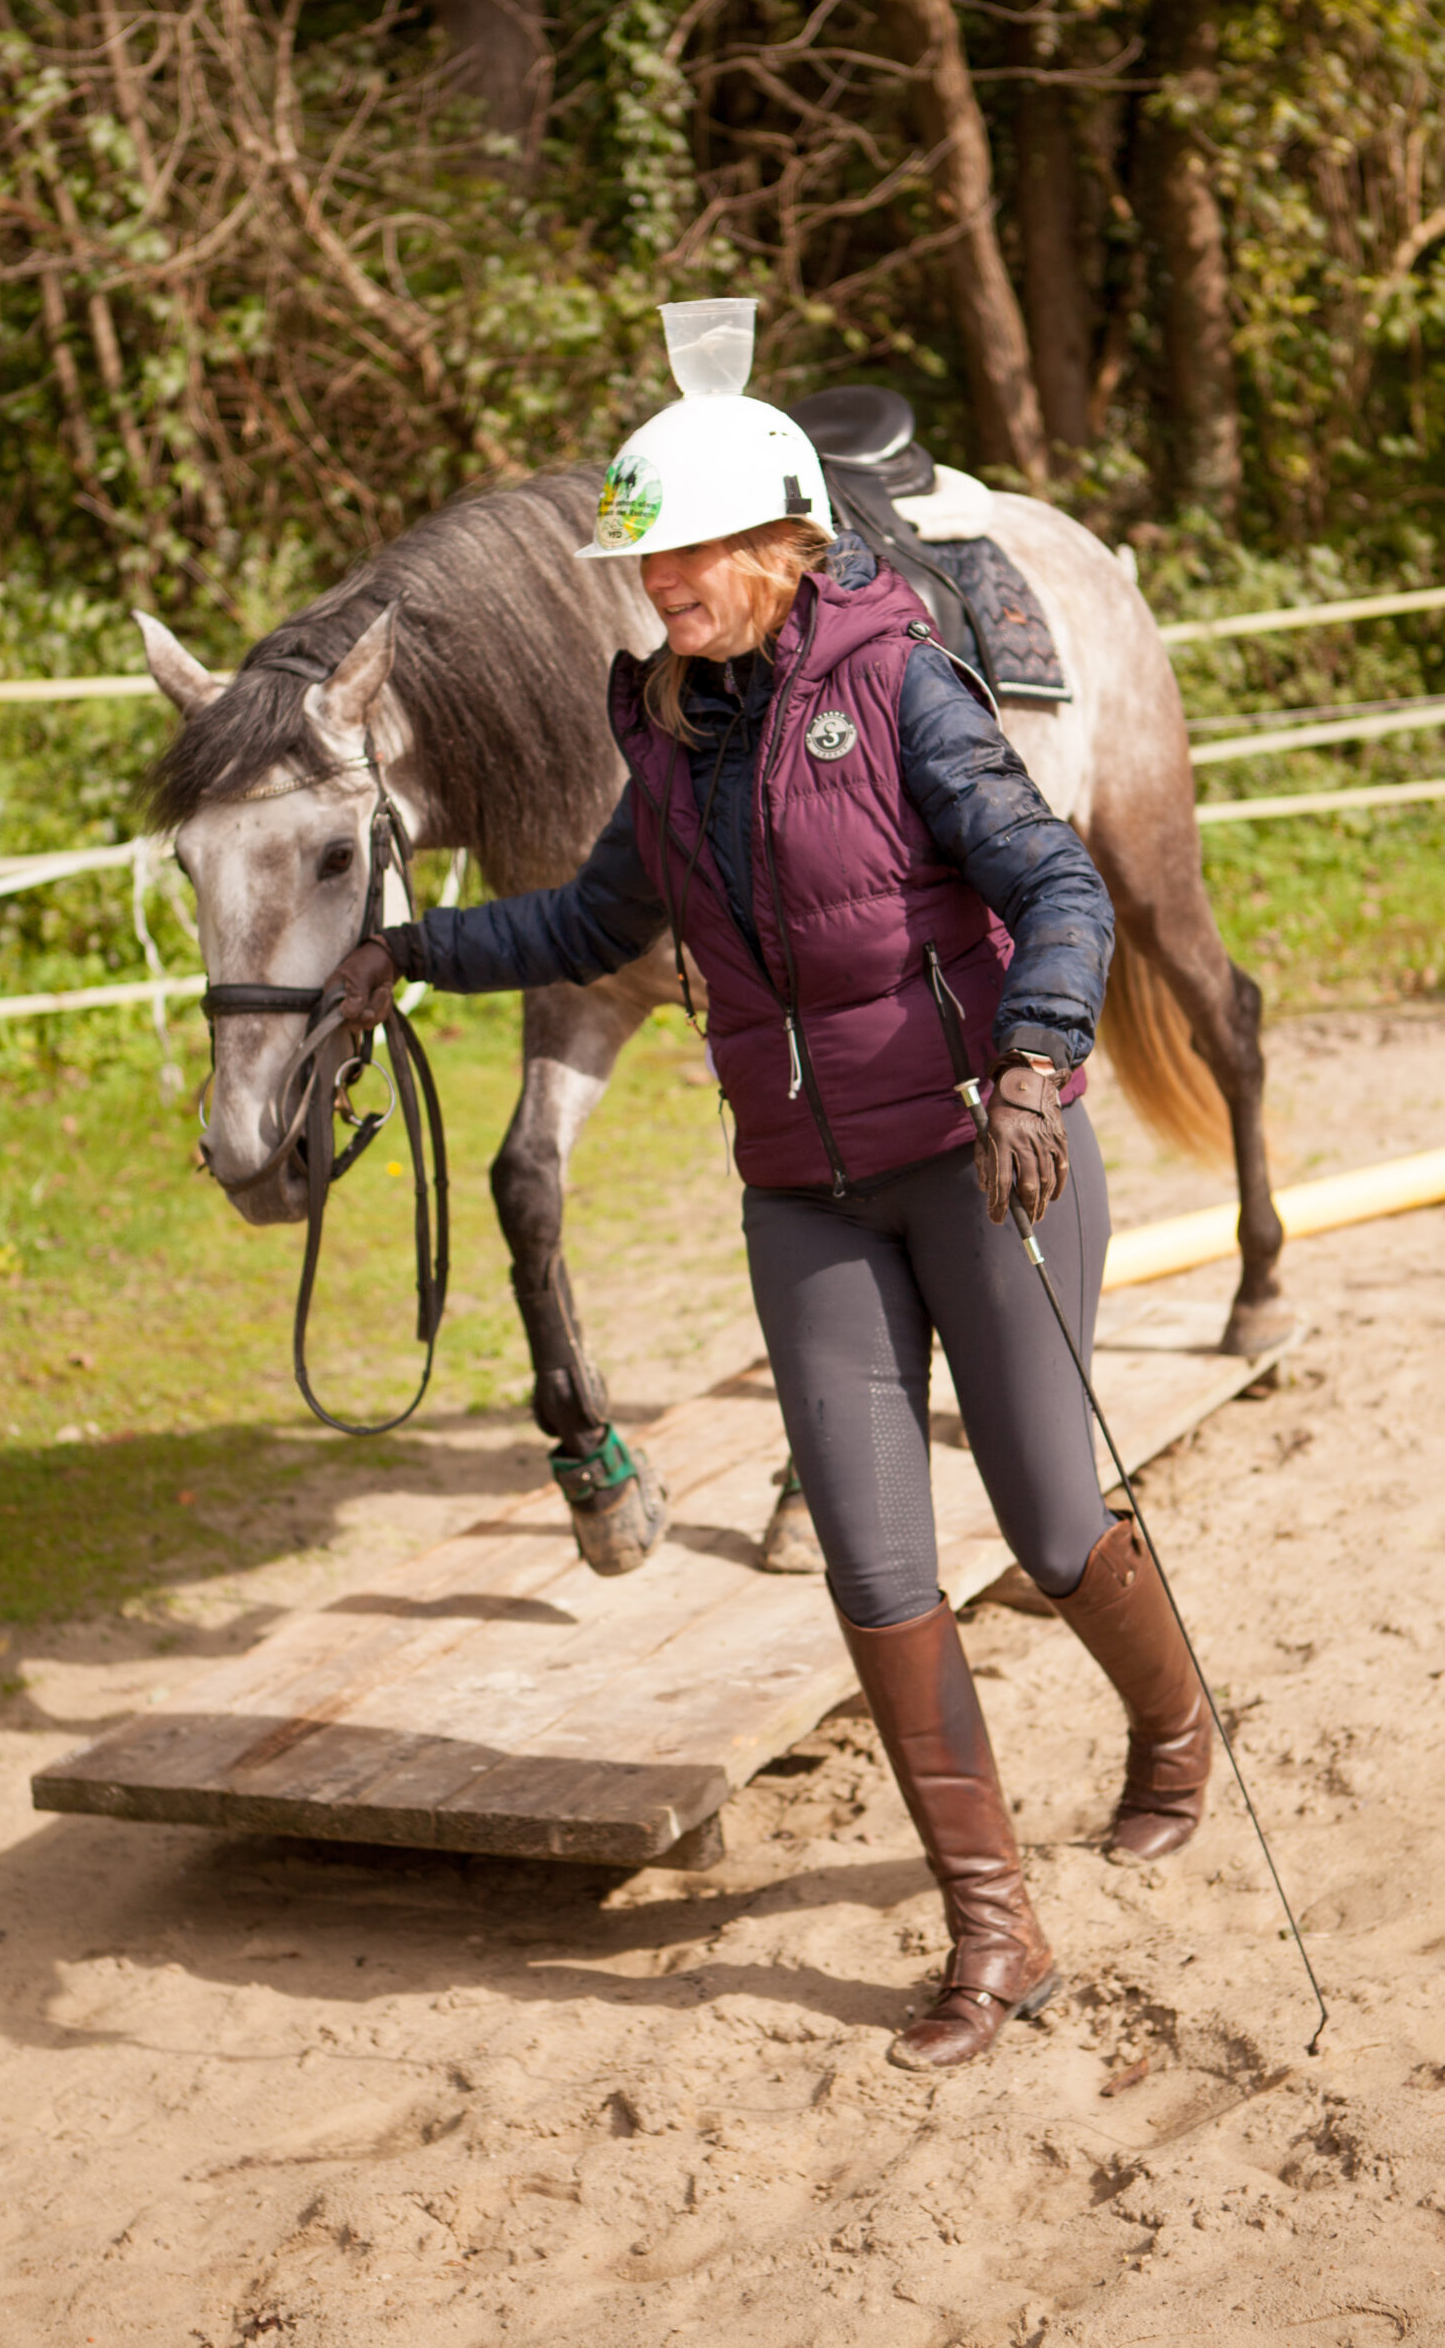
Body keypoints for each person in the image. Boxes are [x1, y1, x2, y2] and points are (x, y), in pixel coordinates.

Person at [327, 306, 1214, 2072]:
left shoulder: (897, 685)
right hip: (803, 1193)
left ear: (785, 549)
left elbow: (1055, 888)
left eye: (691, 554)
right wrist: (403, 949)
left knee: (1044, 1527)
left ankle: (1175, 1734)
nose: (662, 583)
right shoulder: (656, 733)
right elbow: (595, 924)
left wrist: (1037, 1064)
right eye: (645, 556)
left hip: (984, 1159)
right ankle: (992, 1932)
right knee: (877, 1572)